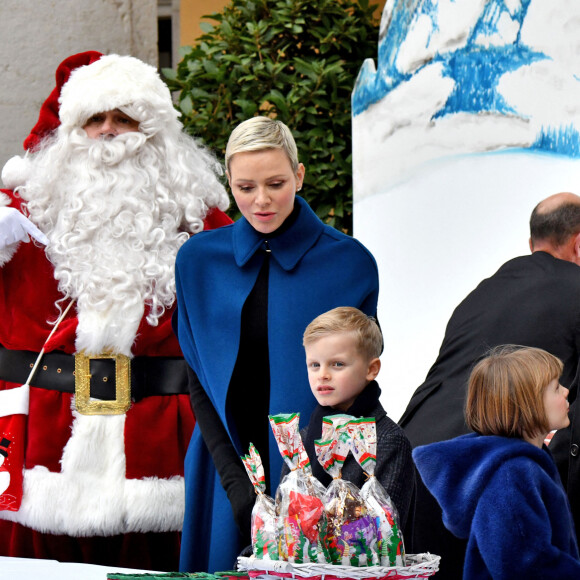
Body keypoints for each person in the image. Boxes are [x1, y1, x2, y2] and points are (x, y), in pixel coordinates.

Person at [0, 51, 231, 570]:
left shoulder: (202, 219)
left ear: (153, 130)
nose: (108, 132)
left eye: (124, 118)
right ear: (72, 130)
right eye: (94, 119)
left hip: (157, 451)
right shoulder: (18, 212)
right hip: (39, 444)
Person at [174, 116, 380, 572]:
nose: (261, 200)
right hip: (221, 462)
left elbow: (360, 380)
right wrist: (234, 485)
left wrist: (319, 482)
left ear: (300, 176)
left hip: (320, 473)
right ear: (229, 182)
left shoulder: (350, 263)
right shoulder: (197, 261)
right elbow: (198, 378)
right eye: (245, 187)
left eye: (276, 183)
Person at [398, 192, 580, 578]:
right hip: (498, 475)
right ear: (579, 243)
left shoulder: (483, 291)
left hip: (422, 462)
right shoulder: (518, 474)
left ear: (533, 244)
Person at [413, 345, 580, 579]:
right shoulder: (511, 473)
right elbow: (524, 565)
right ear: (527, 404)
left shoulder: (529, 462)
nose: (566, 392)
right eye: (555, 388)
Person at [286, 306, 415, 531]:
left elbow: (385, 532)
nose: (323, 374)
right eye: (314, 365)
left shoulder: (388, 440)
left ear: (371, 369)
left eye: (337, 364)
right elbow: (284, 517)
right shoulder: (303, 437)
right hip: (300, 566)